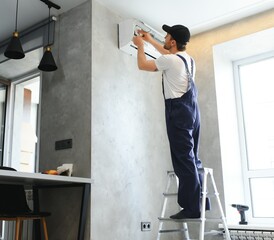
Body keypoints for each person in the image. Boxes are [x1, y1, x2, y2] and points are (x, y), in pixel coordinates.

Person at [133, 24, 204, 219]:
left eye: (166, 36)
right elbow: (167, 54)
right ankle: (200, 202)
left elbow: (142, 65)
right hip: (192, 112)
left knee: (183, 159)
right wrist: (149, 40)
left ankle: (192, 208)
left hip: (178, 113)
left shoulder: (170, 60)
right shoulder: (188, 60)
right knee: (192, 157)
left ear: (172, 41)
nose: (164, 37)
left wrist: (140, 45)